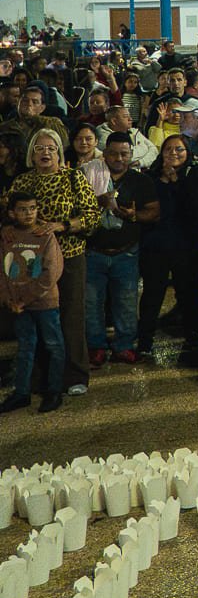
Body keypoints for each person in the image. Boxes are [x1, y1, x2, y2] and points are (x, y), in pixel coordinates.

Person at [9, 127, 102, 397]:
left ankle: (75, 375)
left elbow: (92, 217)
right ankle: (41, 377)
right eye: (40, 148)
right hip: (32, 261)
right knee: (36, 317)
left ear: (60, 153)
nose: (45, 152)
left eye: (51, 148)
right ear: (32, 154)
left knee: (71, 316)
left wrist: (61, 226)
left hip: (70, 257)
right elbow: (9, 215)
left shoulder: (73, 178)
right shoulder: (22, 182)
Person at [87, 132, 154, 365]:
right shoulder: (89, 174)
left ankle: (124, 346)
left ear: (131, 155)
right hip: (93, 251)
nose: (118, 158)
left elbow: (154, 210)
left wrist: (134, 215)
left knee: (126, 301)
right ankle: (96, 346)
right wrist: (98, 202)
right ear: (104, 154)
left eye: (124, 153)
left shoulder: (140, 180)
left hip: (126, 252)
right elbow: (76, 207)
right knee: (91, 302)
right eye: (113, 153)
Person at [0, 191, 65, 413]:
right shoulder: (7, 236)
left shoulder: (45, 235)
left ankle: (54, 390)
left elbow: (50, 273)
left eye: (32, 208)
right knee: (25, 347)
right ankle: (22, 392)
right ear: (12, 212)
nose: (28, 214)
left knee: (54, 345)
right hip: (18, 304)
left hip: (43, 303)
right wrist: (8, 299)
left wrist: (24, 300)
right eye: (22, 209)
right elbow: (3, 271)